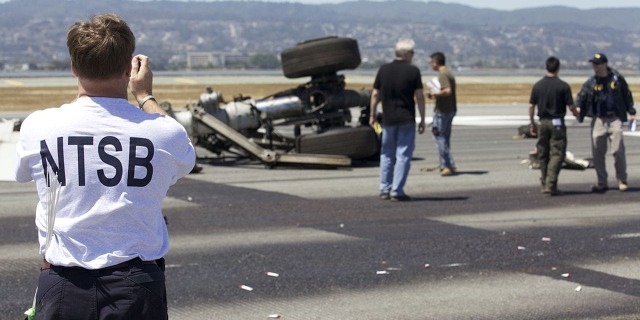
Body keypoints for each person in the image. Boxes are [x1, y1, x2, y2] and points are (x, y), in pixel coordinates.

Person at [14, 14, 195, 320]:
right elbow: (183, 155)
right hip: (136, 285)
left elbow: (22, 174)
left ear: (74, 67)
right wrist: (145, 95)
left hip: (62, 283)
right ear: (130, 68)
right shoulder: (162, 132)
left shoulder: (38, 126)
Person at [370, 38, 426, 202]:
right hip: (406, 118)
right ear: (407, 54)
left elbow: (375, 94)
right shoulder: (413, 71)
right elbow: (419, 97)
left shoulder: (383, 69)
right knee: (403, 155)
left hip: (387, 119)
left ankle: (384, 189)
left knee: (386, 154)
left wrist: (372, 115)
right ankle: (397, 190)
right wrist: (422, 118)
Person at [575, 53, 636, 193]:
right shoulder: (592, 82)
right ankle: (602, 181)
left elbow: (627, 95)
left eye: (597, 64)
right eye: (593, 64)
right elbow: (582, 95)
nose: (594, 67)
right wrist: (577, 107)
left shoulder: (617, 79)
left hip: (615, 118)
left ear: (604, 64)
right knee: (597, 152)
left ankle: (622, 179)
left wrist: (631, 112)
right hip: (598, 119)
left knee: (617, 151)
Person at [528, 56, 578, 195]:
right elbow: (571, 106)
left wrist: (532, 122)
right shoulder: (563, 86)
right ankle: (550, 183)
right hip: (557, 123)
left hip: (542, 122)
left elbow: (531, 106)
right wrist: (576, 113)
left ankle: (545, 182)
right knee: (557, 153)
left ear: (546, 67)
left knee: (543, 153)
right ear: (558, 68)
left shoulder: (538, 85)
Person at [426, 52, 457, 176]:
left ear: (435, 62)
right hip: (450, 109)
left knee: (438, 136)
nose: (431, 65)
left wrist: (434, 94)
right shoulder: (448, 72)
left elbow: (447, 91)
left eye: (432, 62)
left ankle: (447, 164)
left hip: (443, 110)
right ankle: (449, 164)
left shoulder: (443, 75)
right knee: (445, 137)